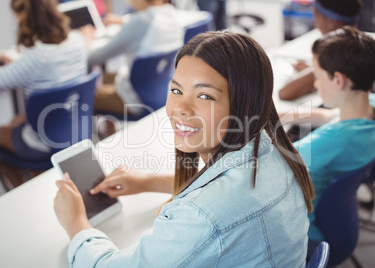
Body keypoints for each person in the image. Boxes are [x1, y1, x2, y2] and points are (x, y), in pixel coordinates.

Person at [54, 31, 315, 267]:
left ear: (245, 105)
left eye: (205, 96)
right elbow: (229, 192)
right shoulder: (274, 150)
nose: (180, 108)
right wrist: (149, 181)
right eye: (176, 90)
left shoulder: (203, 216)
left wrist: (77, 224)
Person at [291, 26, 375, 255]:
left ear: (338, 80)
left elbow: (274, 160)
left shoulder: (331, 142)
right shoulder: (367, 108)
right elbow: (330, 115)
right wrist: (281, 115)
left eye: (317, 76)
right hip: (341, 226)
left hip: (309, 236)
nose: (315, 84)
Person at [0, 0, 88, 162]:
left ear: (25, 18)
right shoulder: (78, 40)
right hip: (74, 128)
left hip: (43, 142)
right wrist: (19, 65)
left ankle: (24, 178)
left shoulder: (36, 59)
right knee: (17, 121)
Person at [83, 0, 184, 116]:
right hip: (158, 90)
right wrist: (123, 21)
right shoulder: (172, 15)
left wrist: (87, 41)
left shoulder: (139, 22)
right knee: (104, 77)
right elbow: (144, 21)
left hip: (132, 98)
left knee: (83, 97)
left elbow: (93, 58)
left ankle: (101, 132)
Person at [278, 0, 363, 101]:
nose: (316, 25)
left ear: (331, 22)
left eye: (316, 17)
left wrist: (316, 70)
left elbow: (284, 93)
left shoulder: (339, 55)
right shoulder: (364, 45)